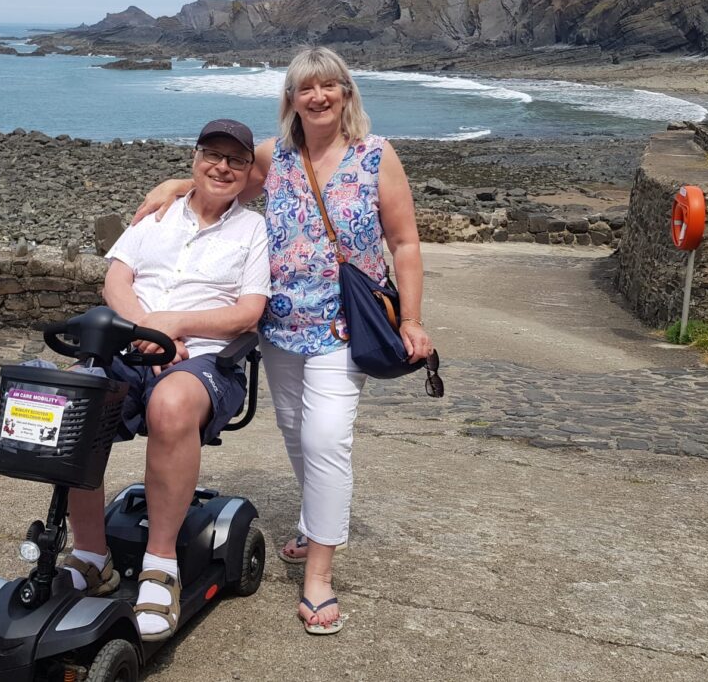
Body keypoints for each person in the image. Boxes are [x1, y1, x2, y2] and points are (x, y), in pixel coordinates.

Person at [135, 46, 434, 635]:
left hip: (343, 327)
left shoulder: (376, 155)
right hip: (278, 326)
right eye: (305, 88)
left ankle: (319, 573)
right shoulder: (276, 156)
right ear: (291, 99)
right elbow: (221, 188)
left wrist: (412, 319)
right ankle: (312, 520)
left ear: (346, 93)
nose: (318, 97)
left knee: (326, 438)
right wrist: (175, 182)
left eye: (328, 86)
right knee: (297, 432)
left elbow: (404, 244)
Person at [55, 119, 270, 642]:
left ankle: (160, 566)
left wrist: (176, 327)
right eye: (212, 155)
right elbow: (116, 281)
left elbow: (248, 312)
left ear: (248, 173)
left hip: (207, 360)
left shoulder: (252, 230)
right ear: (194, 158)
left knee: (171, 403)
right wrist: (144, 332)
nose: (222, 167)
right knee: (74, 399)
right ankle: (91, 555)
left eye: (236, 160)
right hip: (132, 345)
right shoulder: (156, 214)